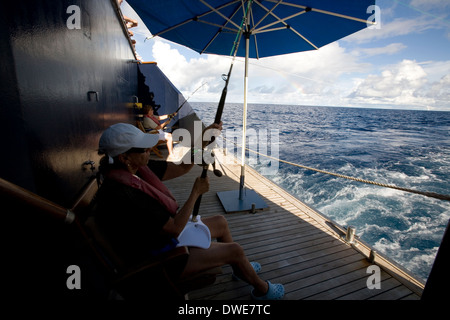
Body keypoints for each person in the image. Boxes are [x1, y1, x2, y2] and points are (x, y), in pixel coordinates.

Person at [93, 123, 285, 300]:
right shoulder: (123, 194)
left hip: (161, 238)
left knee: (220, 222)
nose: (149, 151)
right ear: (124, 157)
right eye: (143, 149)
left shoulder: (135, 169)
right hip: (159, 260)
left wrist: (202, 139)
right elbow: (175, 228)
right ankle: (263, 290)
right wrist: (195, 192)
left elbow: (182, 167)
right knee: (235, 250)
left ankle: (239, 269)